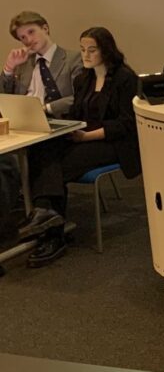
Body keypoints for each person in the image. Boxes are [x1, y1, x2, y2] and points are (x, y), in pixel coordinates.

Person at [18, 27, 142, 267]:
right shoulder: (83, 78)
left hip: (112, 142)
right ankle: (49, 218)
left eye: (92, 50)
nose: (85, 55)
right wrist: (66, 131)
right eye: (83, 49)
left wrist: (86, 137)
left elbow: (126, 125)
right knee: (41, 150)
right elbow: (76, 114)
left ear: (106, 50)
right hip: (83, 134)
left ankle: (51, 230)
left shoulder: (126, 79)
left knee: (56, 167)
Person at [1, 10, 83, 117]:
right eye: (23, 37)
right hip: (22, 120)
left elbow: (80, 97)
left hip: (57, 120)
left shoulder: (74, 59)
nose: (28, 40)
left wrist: (45, 108)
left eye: (31, 32)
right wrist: (9, 68)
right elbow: (4, 98)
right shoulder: (22, 62)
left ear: (45, 29)